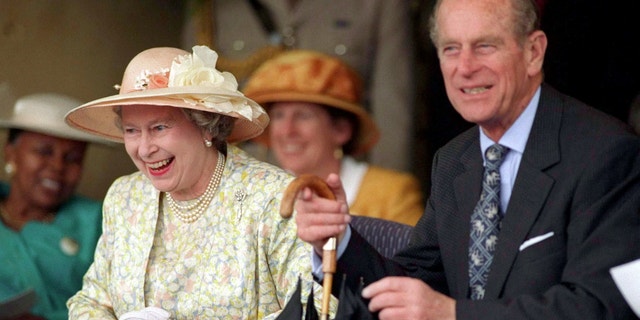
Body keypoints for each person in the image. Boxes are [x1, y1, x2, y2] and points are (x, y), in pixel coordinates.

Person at [291, 0, 640, 319]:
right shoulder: (456, 159)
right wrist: (337, 240)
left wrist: (454, 315)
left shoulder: (606, 154)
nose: (465, 67)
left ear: (534, 52)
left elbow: (601, 305)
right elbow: (413, 287)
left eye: (485, 46)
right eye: (451, 49)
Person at [64, 45, 332, 319]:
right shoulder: (126, 196)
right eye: (132, 131)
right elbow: (91, 301)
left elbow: (316, 308)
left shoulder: (273, 198)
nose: (144, 149)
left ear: (205, 125)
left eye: (159, 128)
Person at [182, 0, 416, 174]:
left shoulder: (378, 5)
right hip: (247, 181)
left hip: (342, 180)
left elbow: (392, 111)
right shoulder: (214, 11)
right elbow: (196, 112)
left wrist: (380, 201)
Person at [243, 49, 424, 226]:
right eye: (279, 115)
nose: (287, 131)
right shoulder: (260, 195)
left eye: (303, 116)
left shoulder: (391, 194)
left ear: (341, 131)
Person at [0, 92, 106, 320]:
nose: (58, 166)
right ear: (10, 153)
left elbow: (120, 302)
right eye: (44, 151)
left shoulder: (99, 220)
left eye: (73, 158)